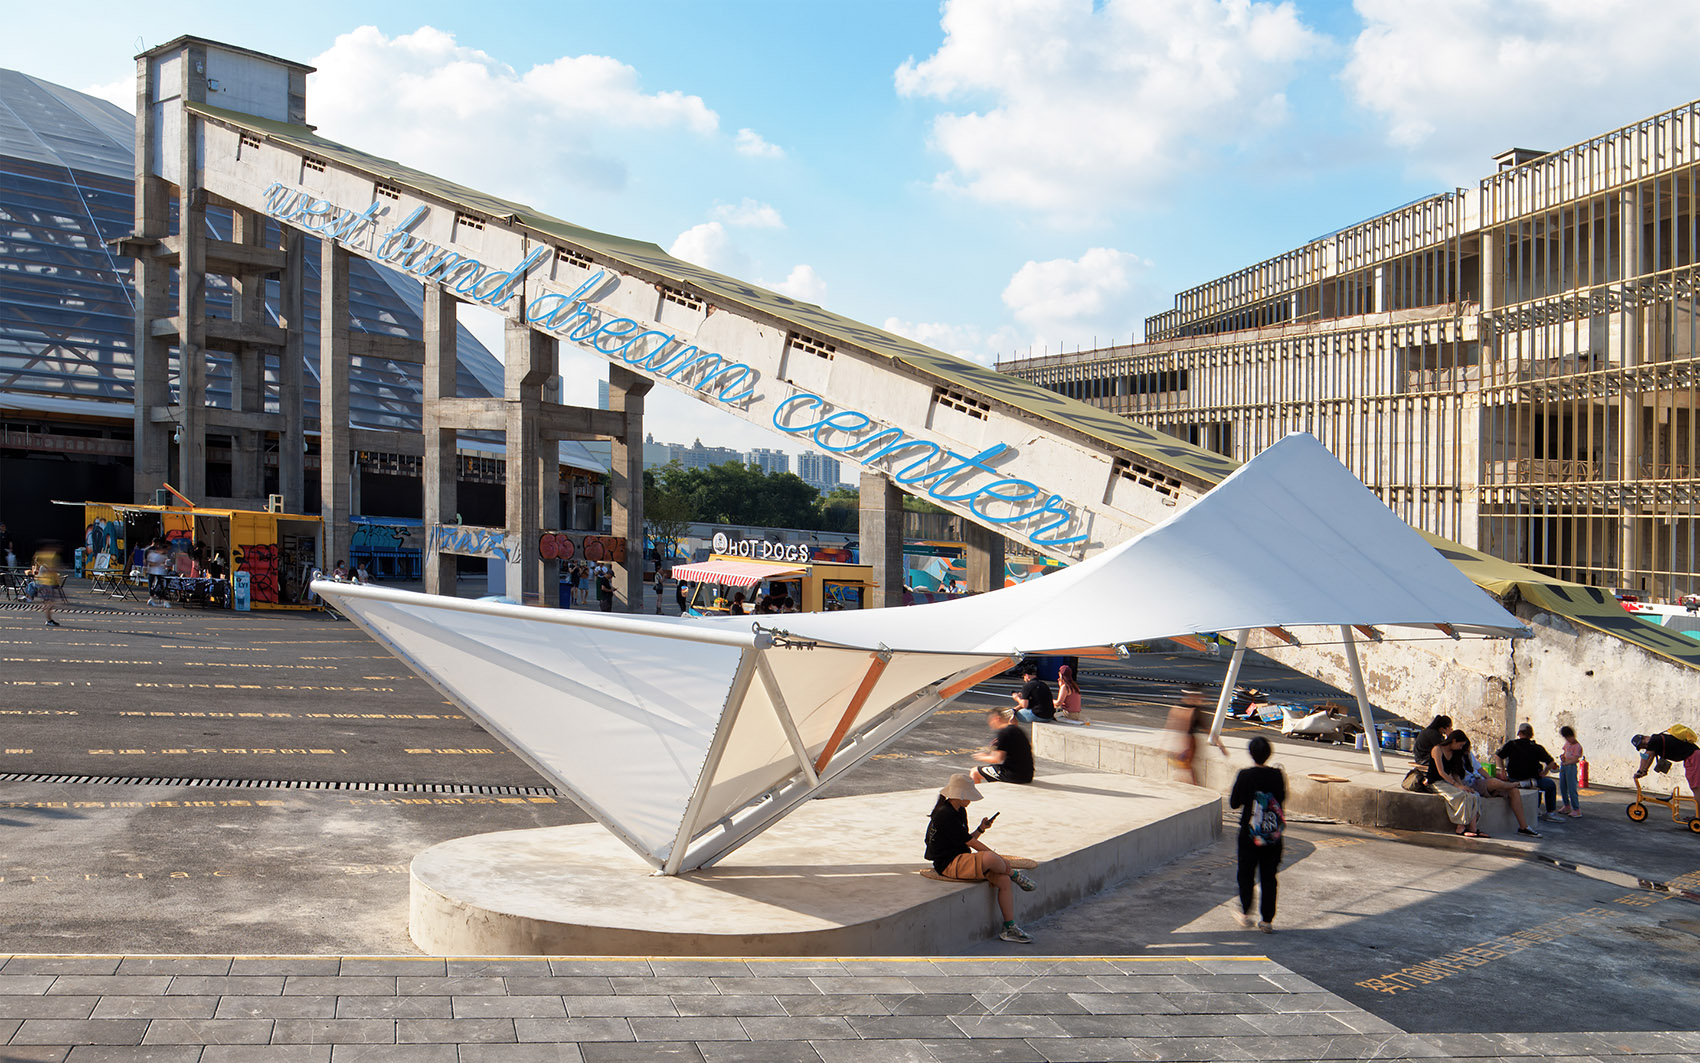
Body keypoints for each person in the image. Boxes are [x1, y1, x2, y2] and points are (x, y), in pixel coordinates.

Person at [923, 773, 1037, 944]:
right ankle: (1016, 876)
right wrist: (998, 859)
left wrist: (981, 829)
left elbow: (965, 839)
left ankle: (1009, 927)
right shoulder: (944, 814)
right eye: (968, 796)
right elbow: (971, 843)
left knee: (1003, 881)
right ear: (960, 795)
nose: (970, 800)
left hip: (961, 857)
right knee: (991, 858)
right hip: (948, 863)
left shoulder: (959, 811)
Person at [1229, 736, 1285, 932]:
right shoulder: (1277, 775)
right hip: (1272, 834)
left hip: (1249, 833)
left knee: (1246, 873)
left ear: (1251, 754)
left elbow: (1234, 803)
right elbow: (1282, 798)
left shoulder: (1245, 775)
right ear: (1269, 754)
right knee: (1269, 876)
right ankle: (1267, 920)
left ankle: (1245, 913)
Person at [1455, 732, 1540, 837]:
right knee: (1496, 783)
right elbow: (1455, 776)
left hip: (1480, 781)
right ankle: (1517, 784)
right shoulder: (1455, 757)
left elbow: (1480, 769)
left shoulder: (1469, 755)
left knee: (1513, 791)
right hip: (1471, 784)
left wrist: (1490, 779)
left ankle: (1524, 827)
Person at [1495, 723, 1561, 822]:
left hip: (1514, 779)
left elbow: (1498, 756)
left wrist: (1502, 770)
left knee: (1536, 787)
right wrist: (1544, 772)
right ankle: (1550, 813)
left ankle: (1536, 809)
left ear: (1519, 733)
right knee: (1550, 785)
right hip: (1533, 779)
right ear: (1531, 734)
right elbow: (1551, 762)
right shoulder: (1536, 747)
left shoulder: (1512, 744)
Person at [1169, 683, 1227, 785]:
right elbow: (1175, 726)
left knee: (1187, 766)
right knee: (1186, 767)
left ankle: (1193, 784)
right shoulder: (1184, 709)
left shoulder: (1194, 710)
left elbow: (1207, 728)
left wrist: (1220, 745)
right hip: (1185, 741)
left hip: (1189, 741)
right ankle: (1193, 784)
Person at [1430, 730, 1485, 837]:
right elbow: (1441, 772)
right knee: (1462, 796)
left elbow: (1455, 773)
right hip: (1437, 782)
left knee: (1473, 795)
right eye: (1460, 745)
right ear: (1453, 741)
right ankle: (1460, 827)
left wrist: (1463, 786)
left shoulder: (1455, 753)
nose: (1461, 748)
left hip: (1449, 781)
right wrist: (1457, 786)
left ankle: (1473, 828)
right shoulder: (1437, 750)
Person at [1632, 729, 1700, 798]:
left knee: (1696, 787)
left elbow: (1649, 756)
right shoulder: (1655, 742)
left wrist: (1644, 770)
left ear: (1645, 737)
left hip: (1693, 757)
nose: (1645, 746)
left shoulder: (1654, 740)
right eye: (1643, 747)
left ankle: (1698, 808)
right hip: (1691, 757)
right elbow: (1645, 757)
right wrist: (1640, 771)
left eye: (1643, 744)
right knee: (1694, 785)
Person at [972, 709, 1034, 785]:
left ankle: (978, 796)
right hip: (1027, 774)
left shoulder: (1003, 733)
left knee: (974, 771)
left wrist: (982, 757)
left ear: (997, 719)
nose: (991, 724)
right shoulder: (1016, 729)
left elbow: (998, 759)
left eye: (991, 721)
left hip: (1013, 775)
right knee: (991, 768)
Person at [1411, 714, 1454, 788]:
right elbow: (1443, 749)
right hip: (1423, 758)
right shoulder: (1433, 734)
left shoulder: (1434, 732)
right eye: (1449, 727)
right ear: (1443, 728)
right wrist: (1450, 736)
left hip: (1424, 756)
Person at [28, 541, 63, 627]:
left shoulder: (42, 566)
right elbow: (51, 570)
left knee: (49, 603)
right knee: (49, 603)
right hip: (45, 585)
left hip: (45, 584)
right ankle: (49, 620)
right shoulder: (45, 565)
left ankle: (49, 618)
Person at [1557, 725, 1584, 817]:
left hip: (1570, 767)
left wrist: (1566, 763)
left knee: (1571, 788)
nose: (1568, 740)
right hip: (1564, 766)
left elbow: (1576, 759)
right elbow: (1565, 753)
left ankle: (1576, 809)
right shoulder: (1567, 744)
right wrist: (1562, 757)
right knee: (1563, 787)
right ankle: (1566, 806)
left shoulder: (1577, 746)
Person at [144, 537, 172, 606]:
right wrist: (158, 564)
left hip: (159, 572)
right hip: (153, 571)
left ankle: (160, 600)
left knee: (160, 586)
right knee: (155, 586)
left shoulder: (163, 555)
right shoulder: (152, 553)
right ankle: (153, 599)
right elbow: (149, 562)